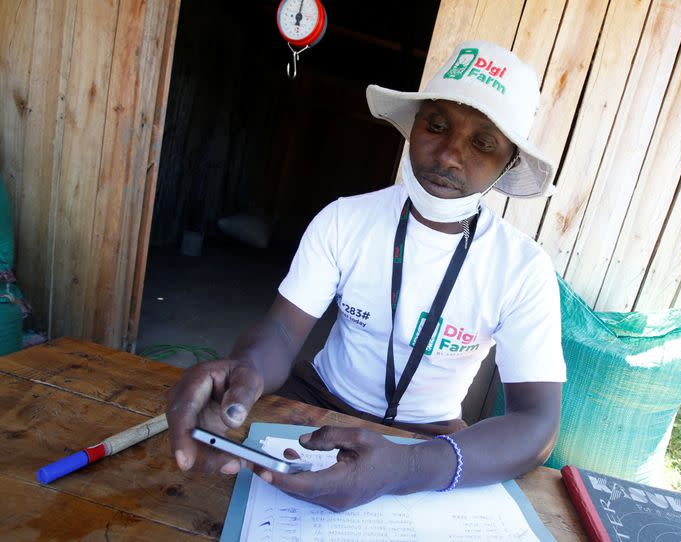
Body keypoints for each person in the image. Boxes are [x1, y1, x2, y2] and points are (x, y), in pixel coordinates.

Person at [166, 40, 566, 512]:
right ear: (413, 127)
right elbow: (279, 330)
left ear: (509, 164)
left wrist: (410, 467)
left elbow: (537, 423)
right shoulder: (344, 220)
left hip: (425, 435)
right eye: (436, 125)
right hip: (316, 400)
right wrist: (246, 369)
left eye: (483, 142)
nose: (449, 156)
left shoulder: (522, 268)